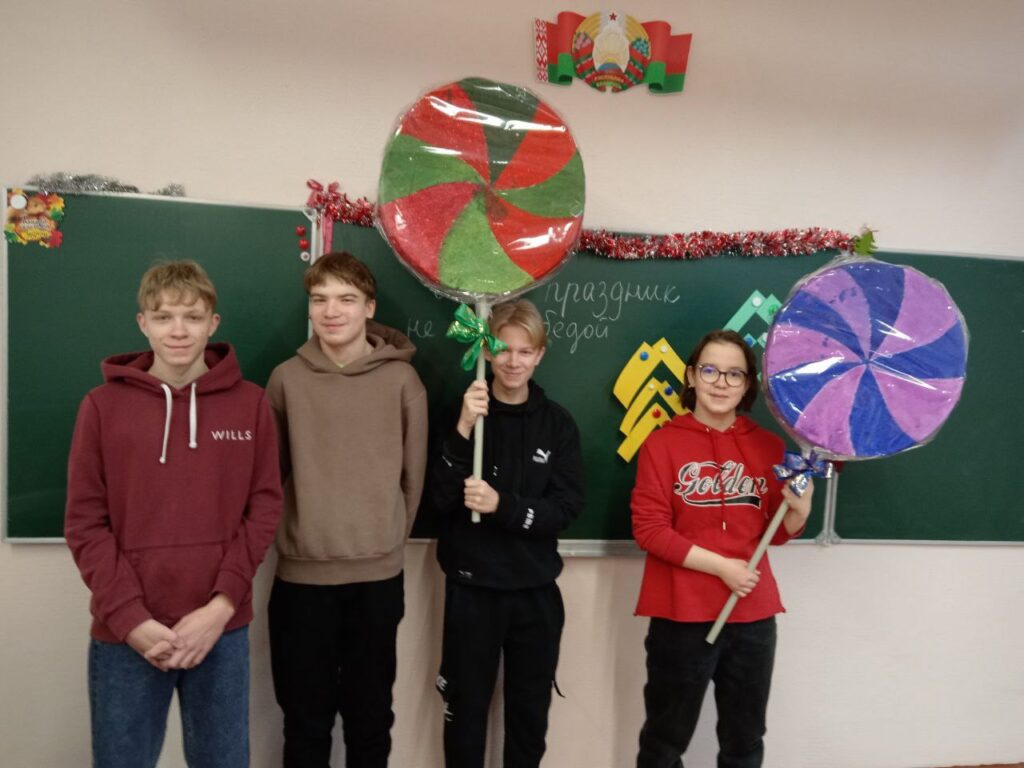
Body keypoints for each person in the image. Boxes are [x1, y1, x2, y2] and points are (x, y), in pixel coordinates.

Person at [64, 260, 283, 768]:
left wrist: (221, 606)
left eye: (192, 316)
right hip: (128, 631)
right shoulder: (101, 407)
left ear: (213, 323)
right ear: (143, 323)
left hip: (220, 629)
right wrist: (130, 619)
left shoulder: (251, 405)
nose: (178, 330)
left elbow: (265, 507)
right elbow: (84, 523)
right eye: (163, 317)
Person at [265, 251, 428, 767]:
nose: (331, 311)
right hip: (301, 581)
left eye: (346, 299)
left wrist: (384, 538)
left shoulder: (402, 383)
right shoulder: (285, 380)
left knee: (370, 721)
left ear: (369, 307)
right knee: (304, 724)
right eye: (320, 300)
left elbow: (413, 479)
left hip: (375, 581)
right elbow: (269, 478)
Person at [631, 329, 814, 768]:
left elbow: (775, 533)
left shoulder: (769, 446)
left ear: (747, 384)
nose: (720, 383)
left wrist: (801, 511)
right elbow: (649, 530)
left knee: (744, 742)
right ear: (691, 376)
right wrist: (721, 567)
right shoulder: (661, 443)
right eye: (710, 370)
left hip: (752, 616)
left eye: (734, 374)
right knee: (663, 742)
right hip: (681, 614)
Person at [430, 298, 584, 768]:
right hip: (472, 590)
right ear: (486, 350)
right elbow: (436, 500)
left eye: (525, 351)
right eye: (502, 349)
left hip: (534, 591)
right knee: (465, 716)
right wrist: (462, 428)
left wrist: (504, 507)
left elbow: (566, 509)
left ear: (540, 354)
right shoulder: (461, 413)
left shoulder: (557, 424)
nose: (513, 361)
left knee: (528, 720)